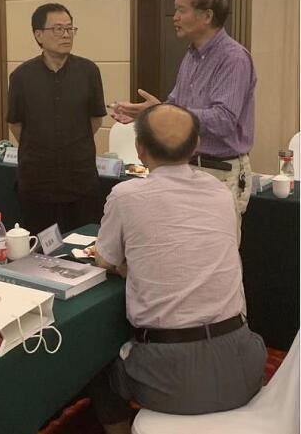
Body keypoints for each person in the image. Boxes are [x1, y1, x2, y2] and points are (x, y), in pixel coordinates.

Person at [90, 104, 266, 434]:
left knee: (97, 372)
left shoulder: (125, 196)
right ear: (196, 145)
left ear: (140, 149)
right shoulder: (220, 192)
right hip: (243, 365)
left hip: (169, 376)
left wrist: (128, 267)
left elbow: (104, 259)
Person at [114, 0, 257, 240]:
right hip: (185, 167)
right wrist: (146, 114)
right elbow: (174, 106)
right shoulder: (191, 56)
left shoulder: (233, 58)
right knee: (181, 246)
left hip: (220, 171)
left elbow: (223, 120)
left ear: (207, 16)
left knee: (212, 250)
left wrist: (164, 111)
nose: (175, 17)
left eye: (181, 10)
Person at [7, 3, 106, 234]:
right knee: (42, 247)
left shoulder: (89, 71)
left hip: (80, 179)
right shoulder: (21, 76)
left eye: (70, 29)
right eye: (58, 29)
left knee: (83, 244)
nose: (66, 35)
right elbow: (16, 124)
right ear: (39, 35)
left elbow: (95, 120)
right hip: (37, 181)